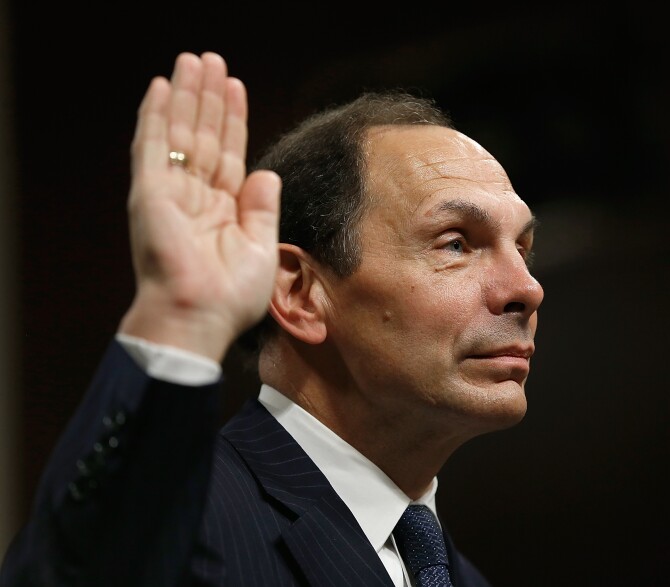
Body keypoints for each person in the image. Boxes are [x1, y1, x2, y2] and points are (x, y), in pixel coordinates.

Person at [1, 51, 543, 587]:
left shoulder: (460, 577)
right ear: (300, 292)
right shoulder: (182, 525)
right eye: (455, 244)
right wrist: (179, 319)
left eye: (522, 248)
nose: (526, 288)